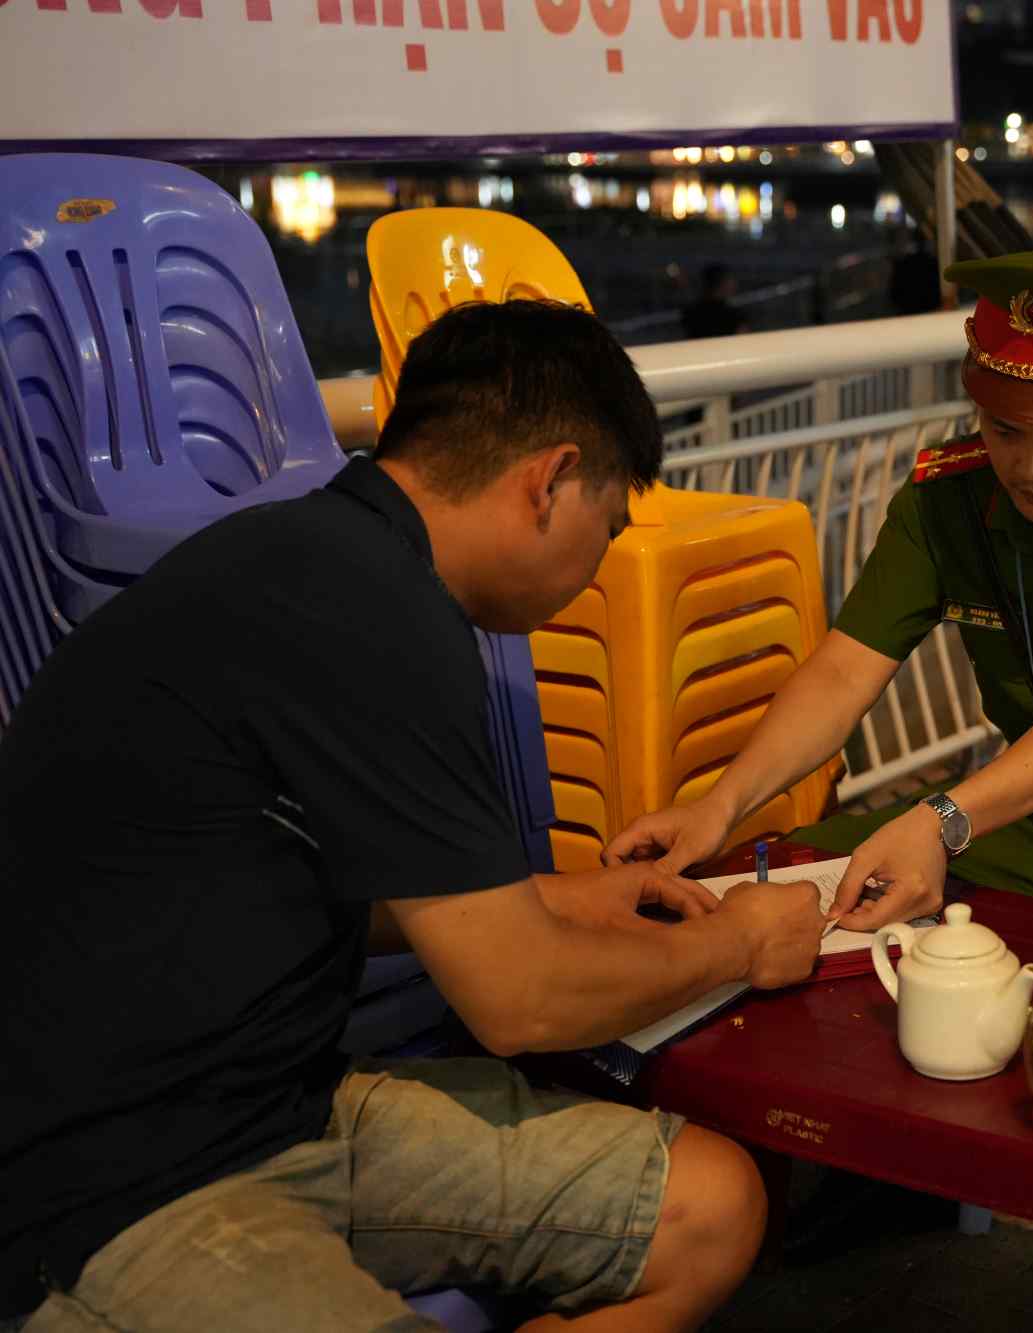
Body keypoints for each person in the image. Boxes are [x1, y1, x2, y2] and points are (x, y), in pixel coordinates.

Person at [0, 301, 828, 1333]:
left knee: (711, 1206)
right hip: (119, 1187)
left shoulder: (332, 561)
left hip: (285, 1106)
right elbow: (521, 1003)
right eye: (605, 526)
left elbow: (267, 882)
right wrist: (743, 941)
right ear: (549, 480)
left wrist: (555, 898)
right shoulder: (369, 612)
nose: (592, 569)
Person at [607, 251, 1033, 927]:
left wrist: (942, 819)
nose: (1032, 468)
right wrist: (721, 806)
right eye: (1004, 429)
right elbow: (846, 670)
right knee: (798, 873)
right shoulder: (948, 498)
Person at [682, 262, 744, 339]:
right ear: (723, 283)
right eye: (730, 281)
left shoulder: (691, 311)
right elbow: (742, 339)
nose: (734, 285)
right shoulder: (733, 314)